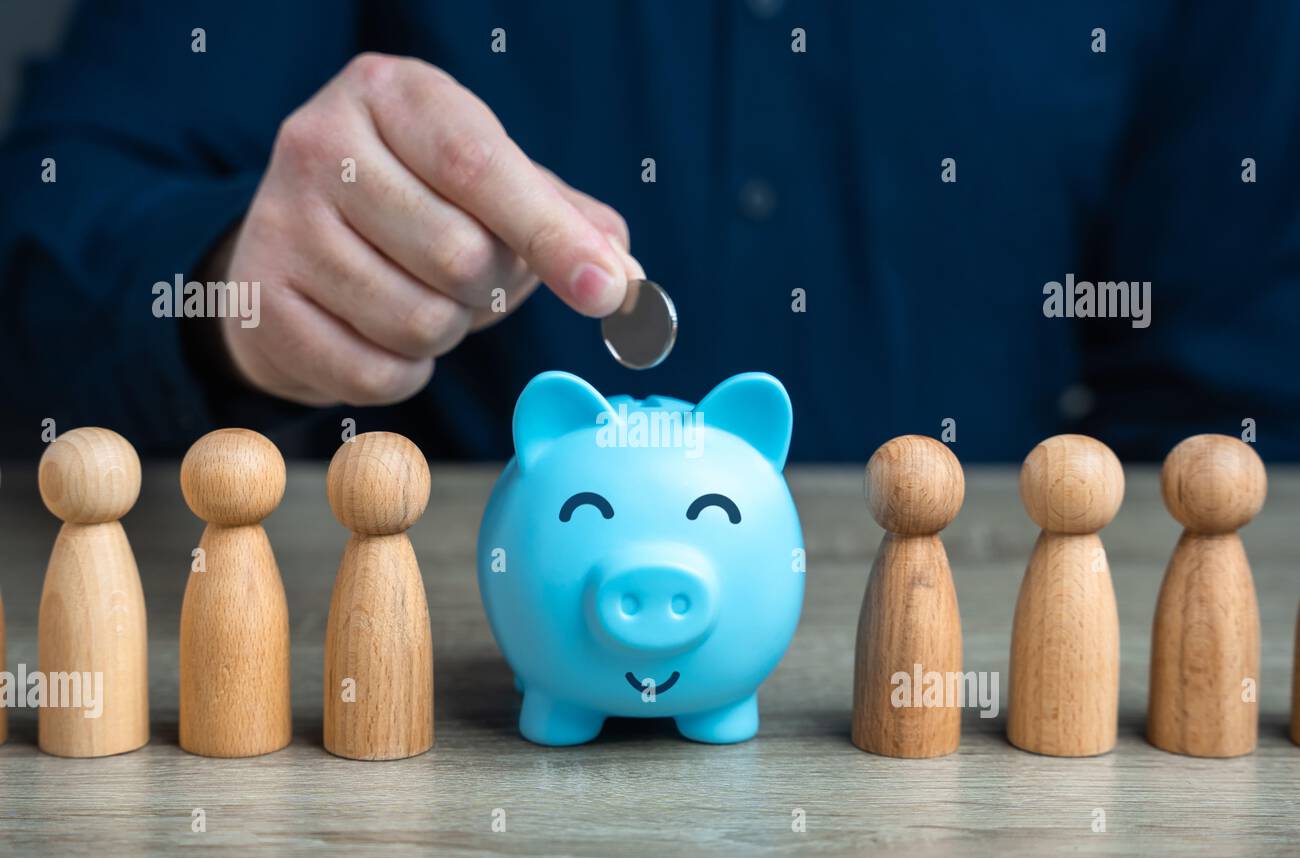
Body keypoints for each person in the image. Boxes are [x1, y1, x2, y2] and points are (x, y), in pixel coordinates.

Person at [1, 1, 1297, 462]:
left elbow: (1248, 404)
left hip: (968, 706)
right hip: (450, 716)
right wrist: (237, 290)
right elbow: (47, 231)